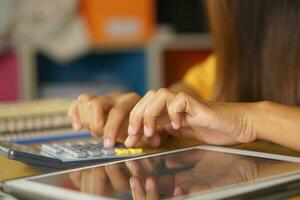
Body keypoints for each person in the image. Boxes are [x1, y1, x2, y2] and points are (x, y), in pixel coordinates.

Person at [68, 0, 300, 152]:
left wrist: (248, 119)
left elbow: (231, 115)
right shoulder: (226, 65)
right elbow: (185, 95)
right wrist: (140, 114)